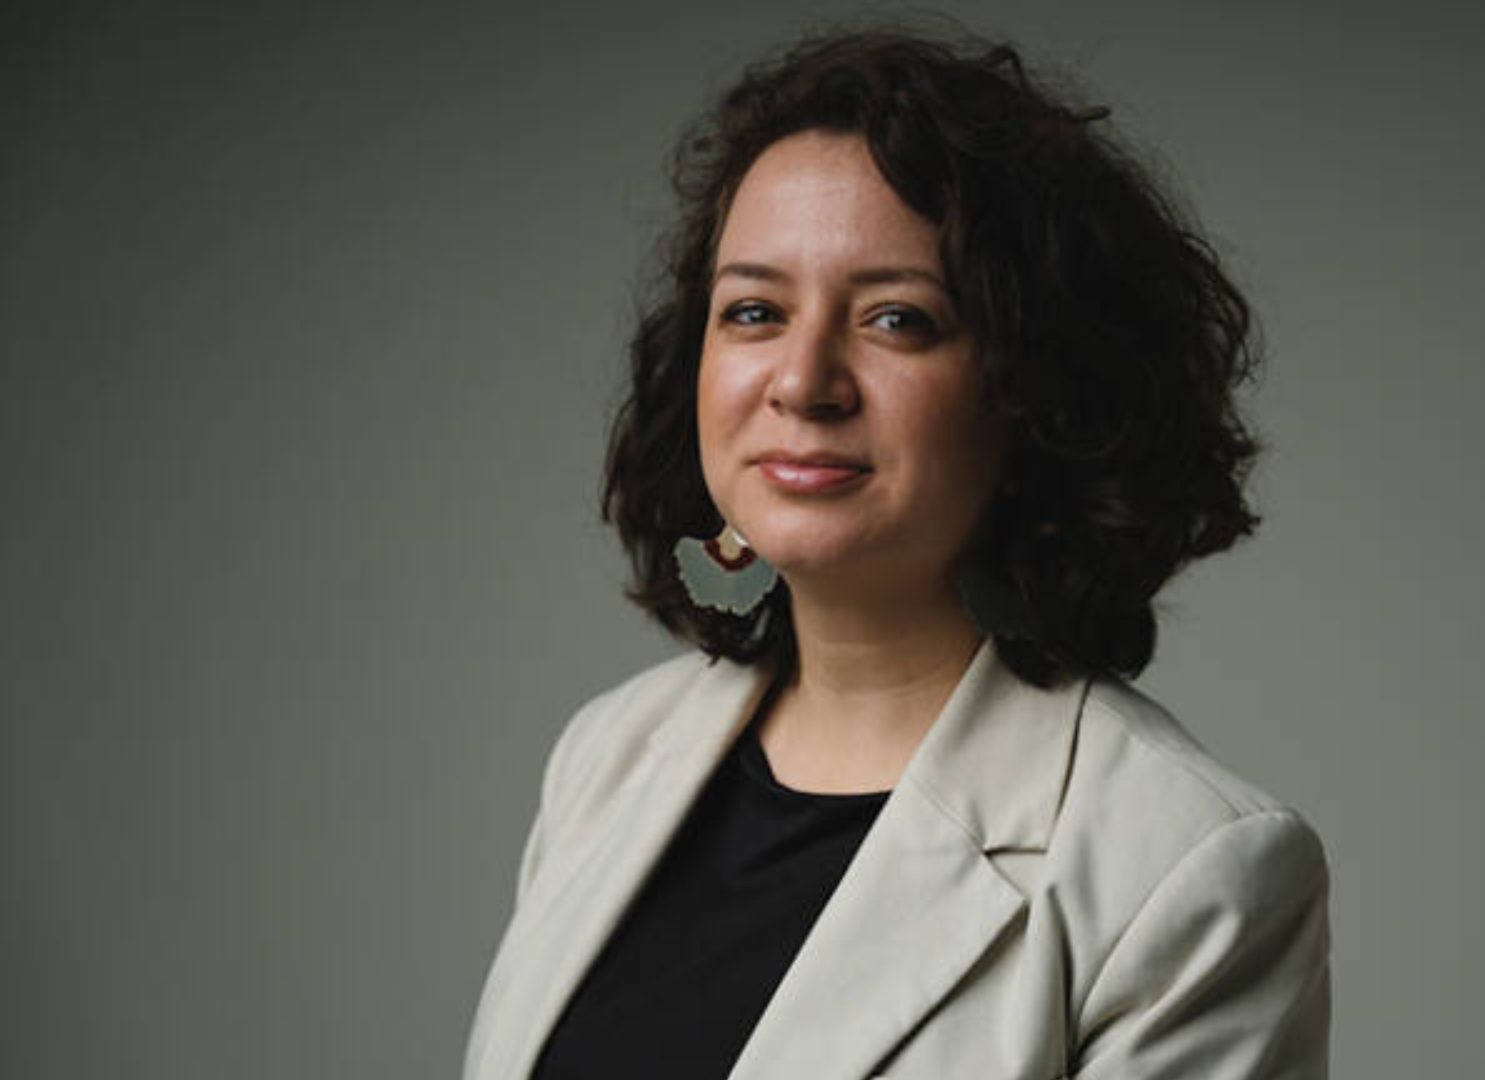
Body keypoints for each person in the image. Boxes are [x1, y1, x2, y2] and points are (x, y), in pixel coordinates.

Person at [464, 25, 1330, 1080]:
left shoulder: (1187, 869)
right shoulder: (608, 757)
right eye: (753, 311)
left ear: (1035, 392)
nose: (804, 380)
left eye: (896, 320)